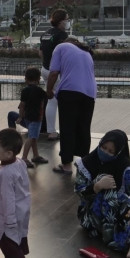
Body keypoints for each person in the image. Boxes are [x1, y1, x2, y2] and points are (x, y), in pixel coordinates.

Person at [46, 39, 97, 175]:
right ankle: (83, 163)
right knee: (84, 128)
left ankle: (67, 165)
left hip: (70, 91)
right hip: (90, 93)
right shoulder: (86, 53)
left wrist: (49, 90)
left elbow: (53, 73)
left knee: (68, 128)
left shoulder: (61, 46)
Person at [0, 129, 31, 258]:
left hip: (10, 213)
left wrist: (9, 220)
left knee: (7, 241)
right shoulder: (19, 162)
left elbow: (8, 198)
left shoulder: (6, 173)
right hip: (22, 208)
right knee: (20, 236)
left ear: (8, 154)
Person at [7, 67, 48, 168]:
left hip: (28, 118)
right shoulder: (40, 91)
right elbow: (50, 96)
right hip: (36, 118)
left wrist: (20, 117)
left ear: (26, 79)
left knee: (33, 136)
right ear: (38, 79)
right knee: (31, 137)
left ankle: (35, 155)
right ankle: (24, 158)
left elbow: (22, 105)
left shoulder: (24, 91)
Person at [39, 10, 70, 140]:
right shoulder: (62, 34)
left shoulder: (46, 33)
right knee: (63, 101)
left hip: (45, 69)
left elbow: (40, 52)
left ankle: (51, 130)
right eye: (67, 19)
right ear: (61, 21)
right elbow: (65, 52)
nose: (68, 22)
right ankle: (61, 131)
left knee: (51, 101)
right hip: (55, 72)